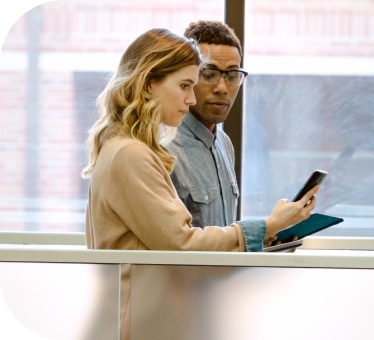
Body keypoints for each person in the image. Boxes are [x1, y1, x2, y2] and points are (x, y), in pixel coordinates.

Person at [81, 28, 318, 339]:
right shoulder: (130, 154)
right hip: (145, 324)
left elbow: (195, 241)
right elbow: (182, 244)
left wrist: (271, 236)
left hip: (173, 318)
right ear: (149, 82)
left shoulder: (139, 149)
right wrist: (265, 226)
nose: (191, 98)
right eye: (184, 86)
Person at [167, 20, 246, 228]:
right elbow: (173, 244)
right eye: (209, 74)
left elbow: (226, 233)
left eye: (232, 75)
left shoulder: (224, 143)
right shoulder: (163, 146)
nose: (222, 87)